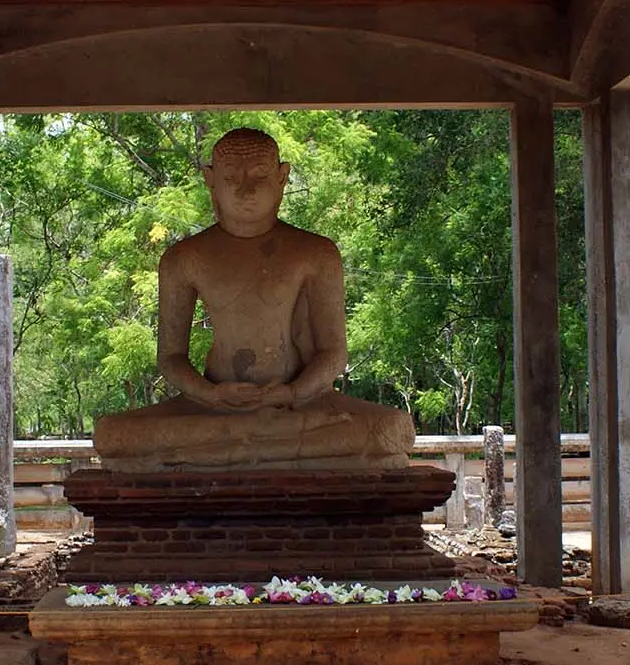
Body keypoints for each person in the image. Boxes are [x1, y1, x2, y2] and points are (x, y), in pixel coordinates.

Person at [92, 127, 414, 472]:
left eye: (259, 176)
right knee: (112, 435)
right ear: (211, 180)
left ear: (282, 176)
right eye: (231, 178)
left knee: (390, 428)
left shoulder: (316, 253)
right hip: (213, 408)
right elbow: (171, 357)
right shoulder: (183, 258)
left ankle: (227, 448)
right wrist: (211, 395)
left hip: (299, 404)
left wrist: (291, 393)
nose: (245, 190)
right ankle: (259, 442)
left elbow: (333, 353)